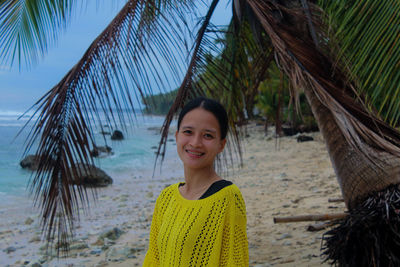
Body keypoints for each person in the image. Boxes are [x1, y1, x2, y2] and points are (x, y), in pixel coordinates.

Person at [143, 97, 248, 266]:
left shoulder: (228, 198)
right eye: (188, 132)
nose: (195, 143)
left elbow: (235, 262)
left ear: (221, 145)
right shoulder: (166, 197)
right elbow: (153, 259)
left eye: (207, 135)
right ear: (177, 136)